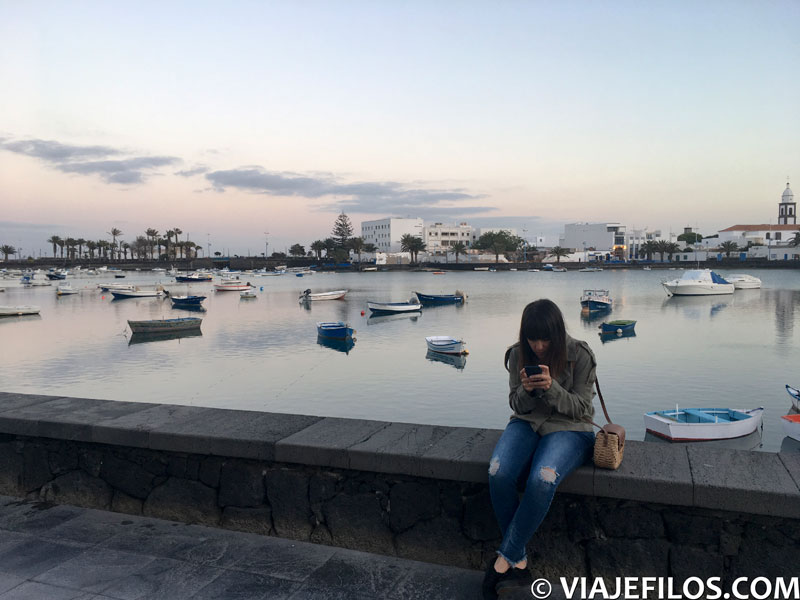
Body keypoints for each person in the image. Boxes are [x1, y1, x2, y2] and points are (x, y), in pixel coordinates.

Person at [483, 299, 597, 598]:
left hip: (570, 429)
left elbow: (583, 408)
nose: (539, 346)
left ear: (557, 334)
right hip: (527, 422)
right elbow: (515, 404)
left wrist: (552, 388)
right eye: (533, 338)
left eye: (545, 338)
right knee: (498, 472)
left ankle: (501, 562)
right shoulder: (518, 354)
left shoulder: (580, 354)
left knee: (543, 478)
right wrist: (527, 390)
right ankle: (518, 559)